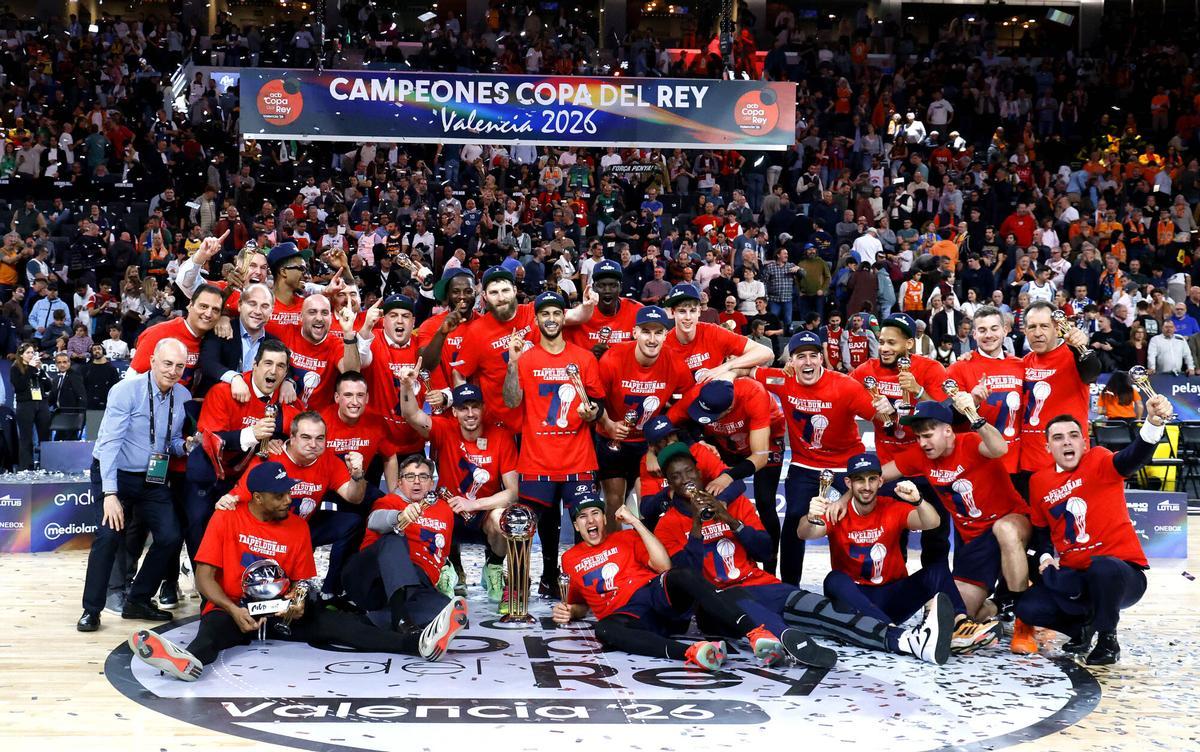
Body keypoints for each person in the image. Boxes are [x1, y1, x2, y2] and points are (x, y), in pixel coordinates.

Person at [127, 461, 468, 682]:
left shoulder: (296, 527)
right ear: (257, 497)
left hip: (279, 610)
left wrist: (299, 598)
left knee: (344, 627)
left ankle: (414, 645)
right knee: (212, 632)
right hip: (233, 606)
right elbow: (204, 576)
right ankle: (187, 662)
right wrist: (232, 609)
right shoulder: (227, 517)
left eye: (288, 491)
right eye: (279, 496)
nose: (289, 499)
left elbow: (302, 578)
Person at [654, 444, 954, 665]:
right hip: (717, 604)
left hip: (763, 586)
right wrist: (697, 522)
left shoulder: (734, 505)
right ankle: (788, 638)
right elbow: (686, 577)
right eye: (676, 476)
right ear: (670, 483)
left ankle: (907, 641)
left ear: (699, 470)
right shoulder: (668, 525)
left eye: (689, 471)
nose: (686, 479)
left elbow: (765, 550)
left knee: (827, 613)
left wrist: (730, 521)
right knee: (734, 600)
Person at [858, 397, 1037, 652]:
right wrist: (844, 499)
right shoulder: (920, 455)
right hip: (973, 542)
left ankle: (1025, 620)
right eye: (919, 436)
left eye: (928, 435)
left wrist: (975, 416)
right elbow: (878, 475)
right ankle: (1002, 604)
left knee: (1004, 530)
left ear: (948, 430)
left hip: (1010, 520)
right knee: (956, 614)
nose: (922, 442)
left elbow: (999, 449)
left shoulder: (971, 442)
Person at [1018, 395, 1171, 665]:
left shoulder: (1099, 460)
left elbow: (1133, 457)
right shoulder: (1039, 482)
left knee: (1104, 568)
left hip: (1123, 576)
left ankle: (1107, 638)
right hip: (1075, 576)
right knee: (1028, 607)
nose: (1067, 441)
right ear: (1047, 447)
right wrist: (1044, 558)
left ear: (1084, 441)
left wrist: (1153, 423)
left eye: (1073, 435)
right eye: (1058, 437)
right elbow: (1041, 532)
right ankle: (1083, 627)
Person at [555, 496, 788, 671]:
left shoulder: (626, 537)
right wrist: (569, 611)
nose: (590, 520)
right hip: (629, 617)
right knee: (604, 629)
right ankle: (694, 653)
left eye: (595, 513)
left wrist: (634, 522)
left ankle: (756, 633)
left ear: (605, 519)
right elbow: (579, 604)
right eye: (583, 517)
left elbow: (664, 566)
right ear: (576, 526)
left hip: (654, 595)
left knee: (681, 574)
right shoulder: (570, 559)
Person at [800, 453, 1000, 655]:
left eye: (871, 479)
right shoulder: (838, 511)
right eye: (859, 480)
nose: (866, 486)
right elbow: (805, 533)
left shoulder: (891, 507)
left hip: (892, 597)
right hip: (855, 599)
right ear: (848, 483)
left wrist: (919, 501)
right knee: (833, 579)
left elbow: (933, 522)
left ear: (880, 481)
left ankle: (960, 627)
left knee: (937, 570)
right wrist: (811, 517)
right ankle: (896, 634)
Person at [750, 331, 886, 583]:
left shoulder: (845, 385)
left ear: (822, 359)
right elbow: (748, 370)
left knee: (861, 519)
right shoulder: (782, 380)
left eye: (814, 356)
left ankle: (863, 582)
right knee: (793, 521)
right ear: (791, 362)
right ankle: (789, 588)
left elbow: (880, 419)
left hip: (847, 463)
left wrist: (886, 408)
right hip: (805, 464)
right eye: (801, 357)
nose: (808, 362)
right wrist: (724, 370)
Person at [78, 338, 190, 632]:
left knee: (169, 536)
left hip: (152, 477)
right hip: (114, 471)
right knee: (107, 536)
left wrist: (186, 446)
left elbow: (171, 440)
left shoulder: (183, 395)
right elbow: (111, 444)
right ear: (152, 360)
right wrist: (109, 493)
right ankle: (91, 610)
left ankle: (138, 599)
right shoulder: (126, 390)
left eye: (179, 365)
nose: (173, 371)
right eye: (167, 363)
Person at [504, 290, 606, 594]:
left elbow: (598, 403)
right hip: (537, 459)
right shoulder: (525, 357)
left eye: (556, 313)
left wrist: (592, 413)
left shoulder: (583, 358)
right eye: (544, 314)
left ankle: (580, 582)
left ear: (564, 317)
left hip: (579, 457)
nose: (551, 319)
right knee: (544, 526)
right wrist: (512, 363)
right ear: (536, 319)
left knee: (584, 523)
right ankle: (548, 576)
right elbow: (511, 401)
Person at [216, 411, 367, 598]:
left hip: (302, 529)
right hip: (269, 534)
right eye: (306, 437)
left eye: (320, 438)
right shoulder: (270, 457)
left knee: (353, 521)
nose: (313, 444)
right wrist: (226, 499)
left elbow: (355, 497)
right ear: (292, 437)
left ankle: (331, 590)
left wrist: (358, 475)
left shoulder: (327, 459)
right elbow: (241, 497)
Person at [396, 381, 519, 603]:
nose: (470, 414)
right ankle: (443, 569)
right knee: (426, 513)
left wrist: (474, 504)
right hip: (448, 511)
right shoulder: (445, 428)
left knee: (501, 517)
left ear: (483, 408)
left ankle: (493, 568)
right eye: (463, 408)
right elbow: (411, 414)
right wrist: (406, 385)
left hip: (482, 514)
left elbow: (512, 493)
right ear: (454, 411)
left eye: (475, 407)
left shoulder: (501, 437)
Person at [187, 339, 294, 568]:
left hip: (242, 479)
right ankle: (199, 586)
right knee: (197, 528)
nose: (273, 371)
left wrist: (282, 443)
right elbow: (211, 440)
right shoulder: (224, 392)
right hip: (207, 474)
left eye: (280, 366)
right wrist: (252, 434)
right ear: (254, 365)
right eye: (267, 363)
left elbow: (301, 431)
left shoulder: (284, 400)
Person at [342, 454, 471, 643]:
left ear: (431, 483)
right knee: (394, 538)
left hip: (415, 584)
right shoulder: (390, 501)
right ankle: (401, 619)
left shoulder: (445, 510)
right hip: (372, 577)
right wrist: (400, 517)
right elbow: (374, 520)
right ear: (400, 482)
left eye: (423, 477)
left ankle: (378, 618)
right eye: (410, 477)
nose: (416, 482)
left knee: (452, 612)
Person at [454, 265, 595, 430]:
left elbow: (577, 316)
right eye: (494, 292)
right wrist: (463, 407)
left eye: (505, 290)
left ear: (515, 290)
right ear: (484, 296)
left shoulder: (534, 312)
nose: (501, 298)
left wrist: (588, 304)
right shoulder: (476, 332)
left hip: (543, 418)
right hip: (502, 424)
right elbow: (459, 372)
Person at [595, 306, 693, 530]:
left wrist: (655, 444)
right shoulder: (613, 359)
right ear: (635, 332)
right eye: (646, 332)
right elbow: (595, 400)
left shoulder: (675, 363)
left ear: (666, 335)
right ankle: (616, 555)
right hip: (612, 440)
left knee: (652, 505)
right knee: (613, 503)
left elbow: (686, 404)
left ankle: (655, 558)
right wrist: (608, 424)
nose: (652, 339)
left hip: (647, 443)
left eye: (658, 332)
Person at [1019, 301, 1101, 474]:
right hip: (1028, 466)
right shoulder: (1022, 363)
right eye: (1032, 327)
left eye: (1044, 326)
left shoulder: (1073, 356)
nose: (1038, 333)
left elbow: (1092, 372)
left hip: (1067, 465)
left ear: (1057, 328)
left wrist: (1081, 348)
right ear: (1024, 331)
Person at [947, 305, 1026, 477]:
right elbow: (948, 419)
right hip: (975, 465)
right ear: (974, 334)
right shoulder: (958, 368)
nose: (989, 335)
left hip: (1015, 463)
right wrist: (972, 402)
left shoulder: (1021, 366)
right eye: (982, 330)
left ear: (1005, 330)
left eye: (994, 328)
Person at [267, 292, 361, 409]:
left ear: (331, 319)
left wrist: (348, 332)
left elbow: (352, 373)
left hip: (316, 421)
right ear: (301, 316)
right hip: (282, 414)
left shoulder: (335, 344)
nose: (319, 318)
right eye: (312, 312)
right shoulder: (285, 332)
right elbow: (253, 320)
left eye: (325, 313)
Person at [663, 282, 773, 382]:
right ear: (673, 313)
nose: (688, 317)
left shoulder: (713, 332)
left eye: (692, 311)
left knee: (749, 386)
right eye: (682, 311)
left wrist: (727, 367)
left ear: (699, 312)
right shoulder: (664, 343)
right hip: (681, 399)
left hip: (714, 398)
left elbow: (766, 353)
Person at [126, 284, 225, 389]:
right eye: (203, 306)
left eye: (215, 310)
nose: (208, 314)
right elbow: (131, 378)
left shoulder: (214, 339)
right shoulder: (160, 333)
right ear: (190, 305)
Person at [564, 258, 642, 356]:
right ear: (593, 287)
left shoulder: (637, 311)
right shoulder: (581, 314)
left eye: (613, 285)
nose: (607, 290)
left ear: (621, 287)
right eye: (601, 285)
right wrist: (590, 357)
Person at [10, 342, 52, 469]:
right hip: (25, 404)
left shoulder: (37, 368)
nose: (30, 355)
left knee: (45, 436)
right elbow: (19, 386)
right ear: (21, 355)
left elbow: (48, 387)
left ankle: (46, 465)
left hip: (42, 403)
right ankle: (26, 467)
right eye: (27, 352)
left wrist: (40, 372)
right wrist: (31, 369)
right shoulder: (15, 368)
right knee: (26, 437)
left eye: (32, 352)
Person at [83, 342, 121, 411]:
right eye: (94, 349)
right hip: (90, 403)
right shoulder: (86, 368)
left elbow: (115, 386)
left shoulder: (111, 368)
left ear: (103, 351)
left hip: (106, 402)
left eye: (99, 349)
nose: (97, 351)